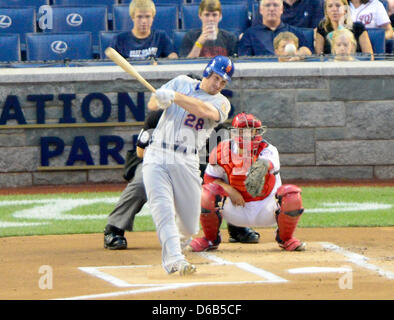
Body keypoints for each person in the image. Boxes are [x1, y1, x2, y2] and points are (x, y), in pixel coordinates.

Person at [142, 56, 233, 275]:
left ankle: (178, 242)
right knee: (162, 209)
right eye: (216, 78)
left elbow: (204, 111)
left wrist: (174, 97)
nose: (218, 84)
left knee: (190, 224)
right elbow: (152, 103)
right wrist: (161, 101)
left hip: (187, 160)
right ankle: (174, 260)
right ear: (207, 72)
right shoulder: (181, 81)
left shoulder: (222, 102)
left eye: (223, 82)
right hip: (157, 154)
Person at [189, 112, 306, 253]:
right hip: (236, 209)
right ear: (233, 134)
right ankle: (210, 239)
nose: (247, 135)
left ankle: (285, 238)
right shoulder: (221, 150)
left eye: (251, 131)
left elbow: (268, 163)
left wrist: (261, 167)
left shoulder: (268, 149)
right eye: (242, 131)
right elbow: (209, 179)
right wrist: (230, 190)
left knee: (291, 194)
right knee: (207, 193)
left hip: (266, 209)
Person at [103, 109, 163, 250]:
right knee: (142, 183)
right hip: (154, 159)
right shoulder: (161, 114)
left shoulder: (207, 114)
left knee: (212, 181)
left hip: (191, 162)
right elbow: (141, 151)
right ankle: (114, 228)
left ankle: (218, 227)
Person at [238, 0, 312, 56]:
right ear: (260, 10)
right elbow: (244, 61)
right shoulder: (249, 35)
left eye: (275, 5)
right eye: (267, 5)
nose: (271, 9)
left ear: (282, 9)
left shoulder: (296, 32)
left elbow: (309, 54)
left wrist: (300, 54)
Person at [110, 0, 178, 60]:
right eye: (139, 17)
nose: (144, 21)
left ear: (153, 18)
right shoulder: (119, 40)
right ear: (132, 17)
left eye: (147, 16)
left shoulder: (161, 37)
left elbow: (173, 57)